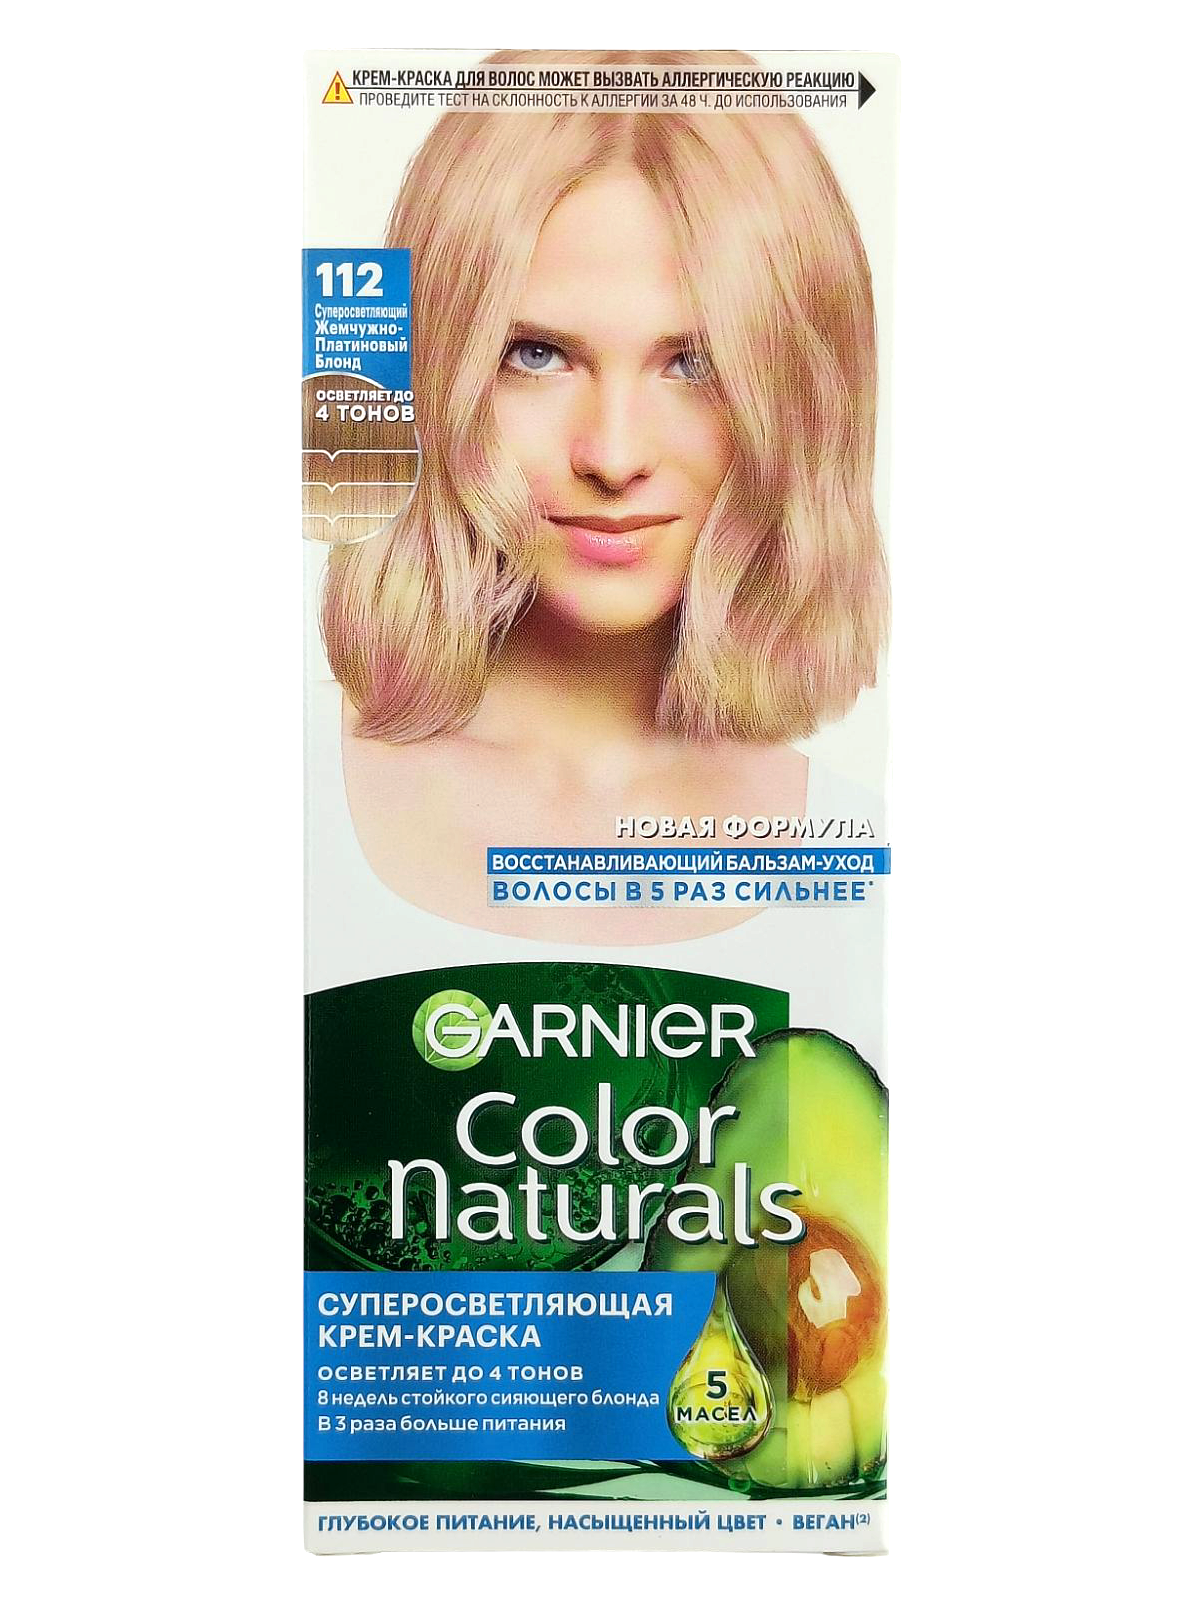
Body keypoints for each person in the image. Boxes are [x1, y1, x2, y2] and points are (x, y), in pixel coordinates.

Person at [318, 51, 887, 945]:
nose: (614, 456)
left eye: (694, 364)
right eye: (536, 356)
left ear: (804, 400)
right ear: (426, 372)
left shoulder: (873, 855)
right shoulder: (287, 801)